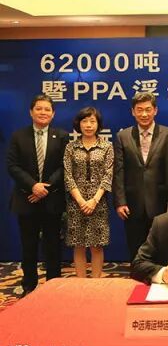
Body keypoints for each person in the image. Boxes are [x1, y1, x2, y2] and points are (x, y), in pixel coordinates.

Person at [7, 94, 69, 297]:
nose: (43, 112)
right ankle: (29, 285)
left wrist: (45, 188)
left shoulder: (61, 136)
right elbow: (13, 166)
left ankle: (53, 285)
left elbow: (65, 166)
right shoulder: (18, 136)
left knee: (53, 246)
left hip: (52, 200)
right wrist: (33, 186)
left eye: (47, 109)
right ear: (31, 112)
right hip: (26, 199)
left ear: (53, 114)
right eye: (39, 108)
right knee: (29, 245)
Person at [113, 92, 168, 262]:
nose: (144, 114)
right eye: (139, 110)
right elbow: (119, 171)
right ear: (133, 112)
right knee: (135, 248)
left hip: (160, 201)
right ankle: (137, 276)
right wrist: (120, 201)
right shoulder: (123, 136)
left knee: (161, 248)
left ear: (155, 110)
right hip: (133, 203)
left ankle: (159, 277)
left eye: (148, 109)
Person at [64, 107, 114, 278]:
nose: (88, 125)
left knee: (97, 245)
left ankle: (95, 284)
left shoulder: (107, 146)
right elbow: (68, 176)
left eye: (92, 121)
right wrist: (80, 201)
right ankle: (81, 283)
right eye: (84, 121)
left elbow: (108, 175)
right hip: (75, 203)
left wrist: (94, 200)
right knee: (78, 245)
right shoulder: (71, 147)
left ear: (98, 124)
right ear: (79, 124)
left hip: (98, 203)